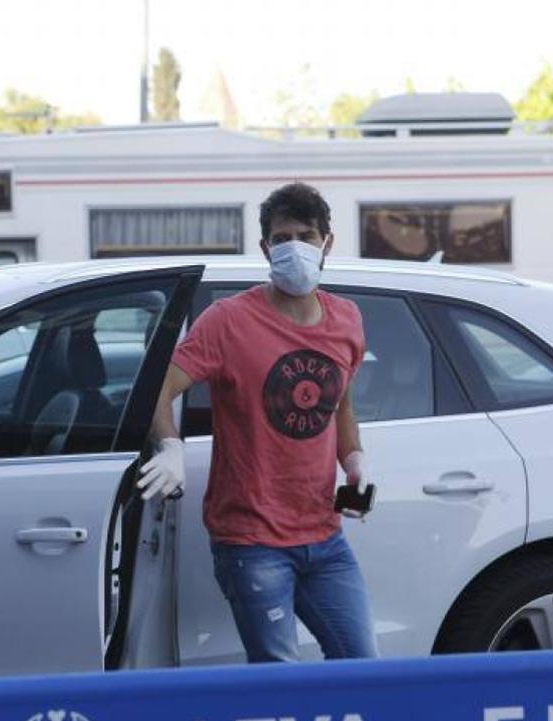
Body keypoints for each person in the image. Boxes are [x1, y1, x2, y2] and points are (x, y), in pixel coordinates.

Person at [138, 182, 378, 663]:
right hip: (253, 542)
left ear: (327, 243)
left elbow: (341, 405)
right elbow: (158, 389)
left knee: (362, 668)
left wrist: (355, 462)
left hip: (325, 538)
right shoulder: (228, 321)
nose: (295, 248)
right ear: (266, 247)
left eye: (307, 236)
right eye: (282, 238)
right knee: (278, 682)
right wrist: (170, 446)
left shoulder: (346, 319)